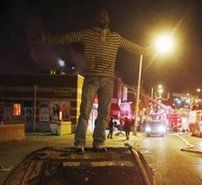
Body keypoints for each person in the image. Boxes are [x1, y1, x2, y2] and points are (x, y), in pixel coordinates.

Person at [39, 9, 149, 153]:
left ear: (108, 20)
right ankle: (79, 143)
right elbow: (66, 38)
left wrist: (146, 51)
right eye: (100, 15)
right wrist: (45, 39)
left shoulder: (115, 37)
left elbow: (131, 47)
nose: (103, 17)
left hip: (108, 80)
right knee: (85, 111)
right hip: (91, 77)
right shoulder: (87, 34)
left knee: (104, 113)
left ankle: (98, 143)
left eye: (105, 15)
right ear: (97, 19)